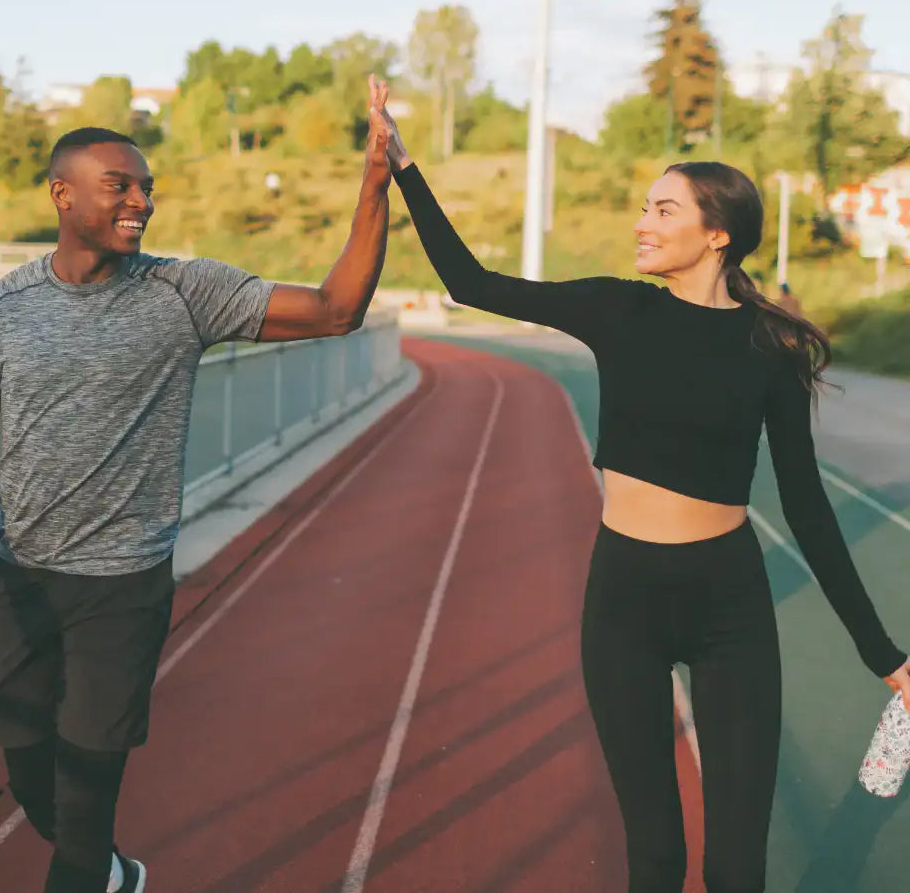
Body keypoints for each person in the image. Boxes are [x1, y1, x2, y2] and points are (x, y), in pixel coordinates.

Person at [379, 114, 910, 893]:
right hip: (622, 599)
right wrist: (406, 170)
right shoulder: (618, 309)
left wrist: (886, 658)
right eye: (644, 207)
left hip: (730, 603)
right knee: (655, 859)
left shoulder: (773, 349)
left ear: (718, 232)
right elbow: (472, 284)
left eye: (664, 209)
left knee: (735, 870)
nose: (642, 223)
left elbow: (807, 509)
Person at [0, 76, 394, 893]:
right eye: (120, 186)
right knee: (31, 778)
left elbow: (336, 309)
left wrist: (374, 187)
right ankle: (113, 874)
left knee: (83, 809)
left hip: (123, 591)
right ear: (63, 195)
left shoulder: (185, 292)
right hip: (19, 579)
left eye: (147, 190)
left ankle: (91, 869)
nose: (141, 202)